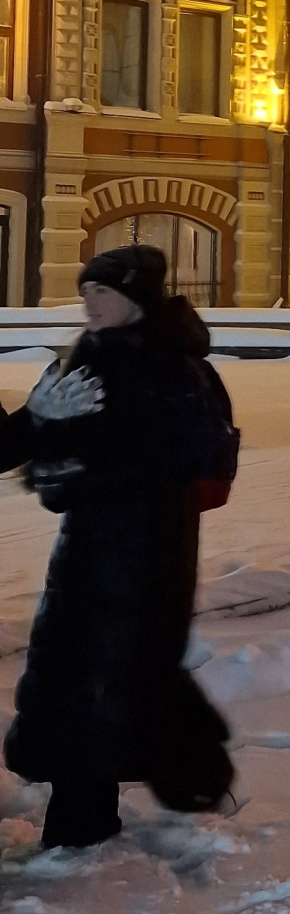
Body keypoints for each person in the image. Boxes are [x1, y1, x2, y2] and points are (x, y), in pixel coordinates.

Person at [2, 245, 237, 849]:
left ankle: (93, 824)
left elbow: (194, 467)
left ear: (135, 298)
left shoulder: (176, 370)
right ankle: (107, 809)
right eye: (85, 293)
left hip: (147, 556)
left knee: (110, 682)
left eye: (101, 292)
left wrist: (78, 471)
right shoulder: (87, 361)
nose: (89, 304)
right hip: (88, 554)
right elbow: (47, 455)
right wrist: (41, 433)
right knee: (87, 682)